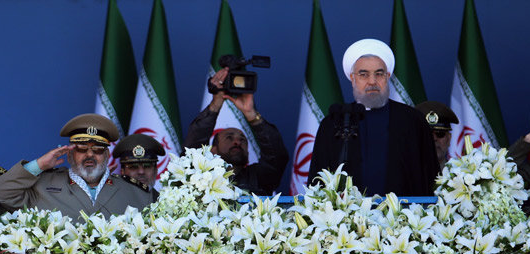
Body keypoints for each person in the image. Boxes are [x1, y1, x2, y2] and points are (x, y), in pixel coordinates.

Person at [307, 38, 438, 196]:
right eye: (364, 74)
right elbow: (318, 183)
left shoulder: (412, 120)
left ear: (388, 76)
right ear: (353, 78)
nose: (372, 81)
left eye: (379, 74)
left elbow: (429, 178)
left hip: (404, 211)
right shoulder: (334, 123)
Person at [0, 113, 152, 220]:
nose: (90, 154)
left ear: (107, 155)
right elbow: (2, 192)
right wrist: (40, 165)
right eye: (81, 148)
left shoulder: (135, 192)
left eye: (97, 149)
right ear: (69, 154)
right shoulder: (42, 185)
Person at [184, 67, 289, 195]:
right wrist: (215, 104)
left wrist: (252, 115)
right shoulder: (200, 177)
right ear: (213, 149)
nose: (237, 142)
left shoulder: (259, 178)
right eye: (229, 137)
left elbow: (277, 156)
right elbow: (192, 149)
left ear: (248, 153)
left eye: (243, 140)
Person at [415, 101, 459, 169]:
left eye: (440, 134)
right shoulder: (404, 174)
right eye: (427, 134)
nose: (434, 139)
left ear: (449, 139)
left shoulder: (461, 174)